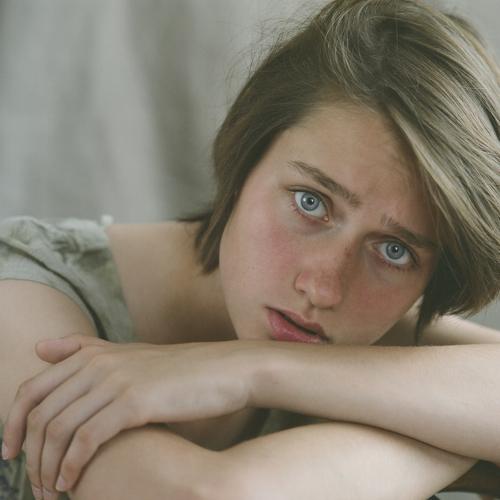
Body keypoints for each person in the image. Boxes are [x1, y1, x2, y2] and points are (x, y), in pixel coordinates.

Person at [1, 0, 499, 498]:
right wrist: (455, 443)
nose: (323, 289)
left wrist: (246, 370)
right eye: (310, 202)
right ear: (246, 158)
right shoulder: (23, 297)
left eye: (393, 251)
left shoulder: (372, 331)